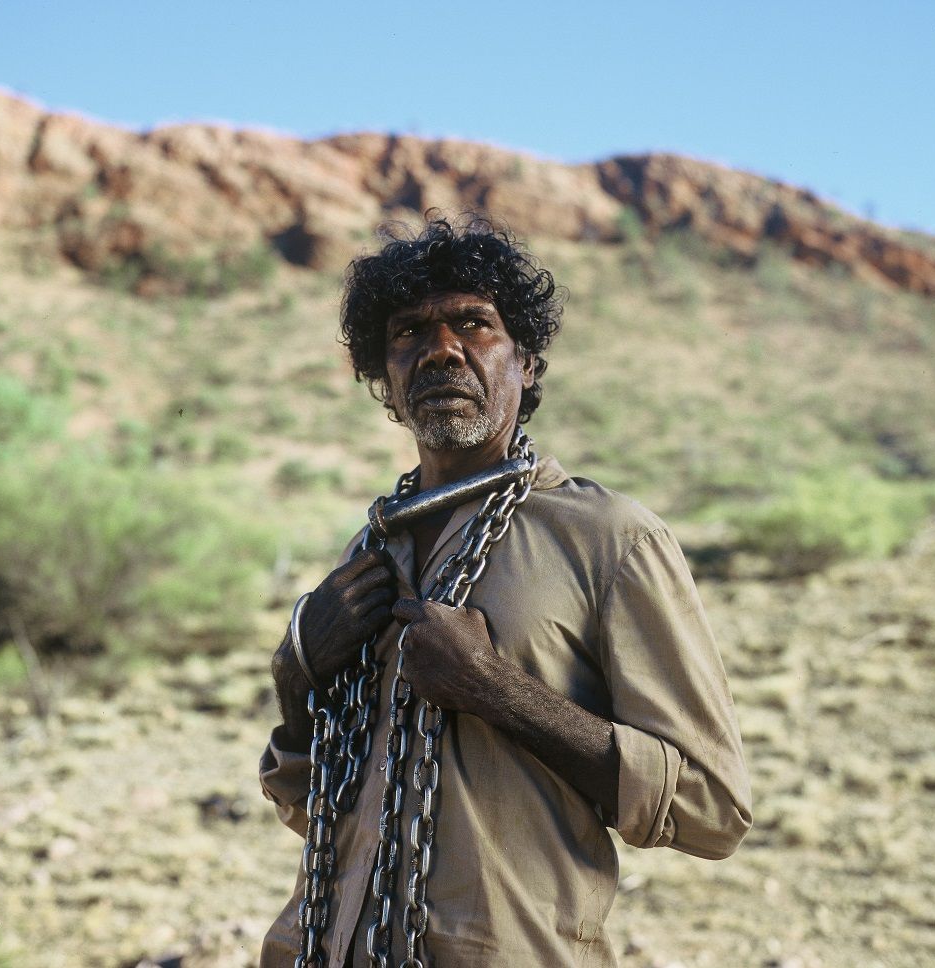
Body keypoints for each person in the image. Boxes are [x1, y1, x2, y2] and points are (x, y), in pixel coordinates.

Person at [260, 215, 752, 968]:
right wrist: (296, 674)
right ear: (384, 378)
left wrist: (494, 689)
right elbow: (324, 814)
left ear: (525, 360)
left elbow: (712, 808)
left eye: (473, 324)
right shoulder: (368, 552)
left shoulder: (609, 539)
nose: (440, 348)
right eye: (408, 331)